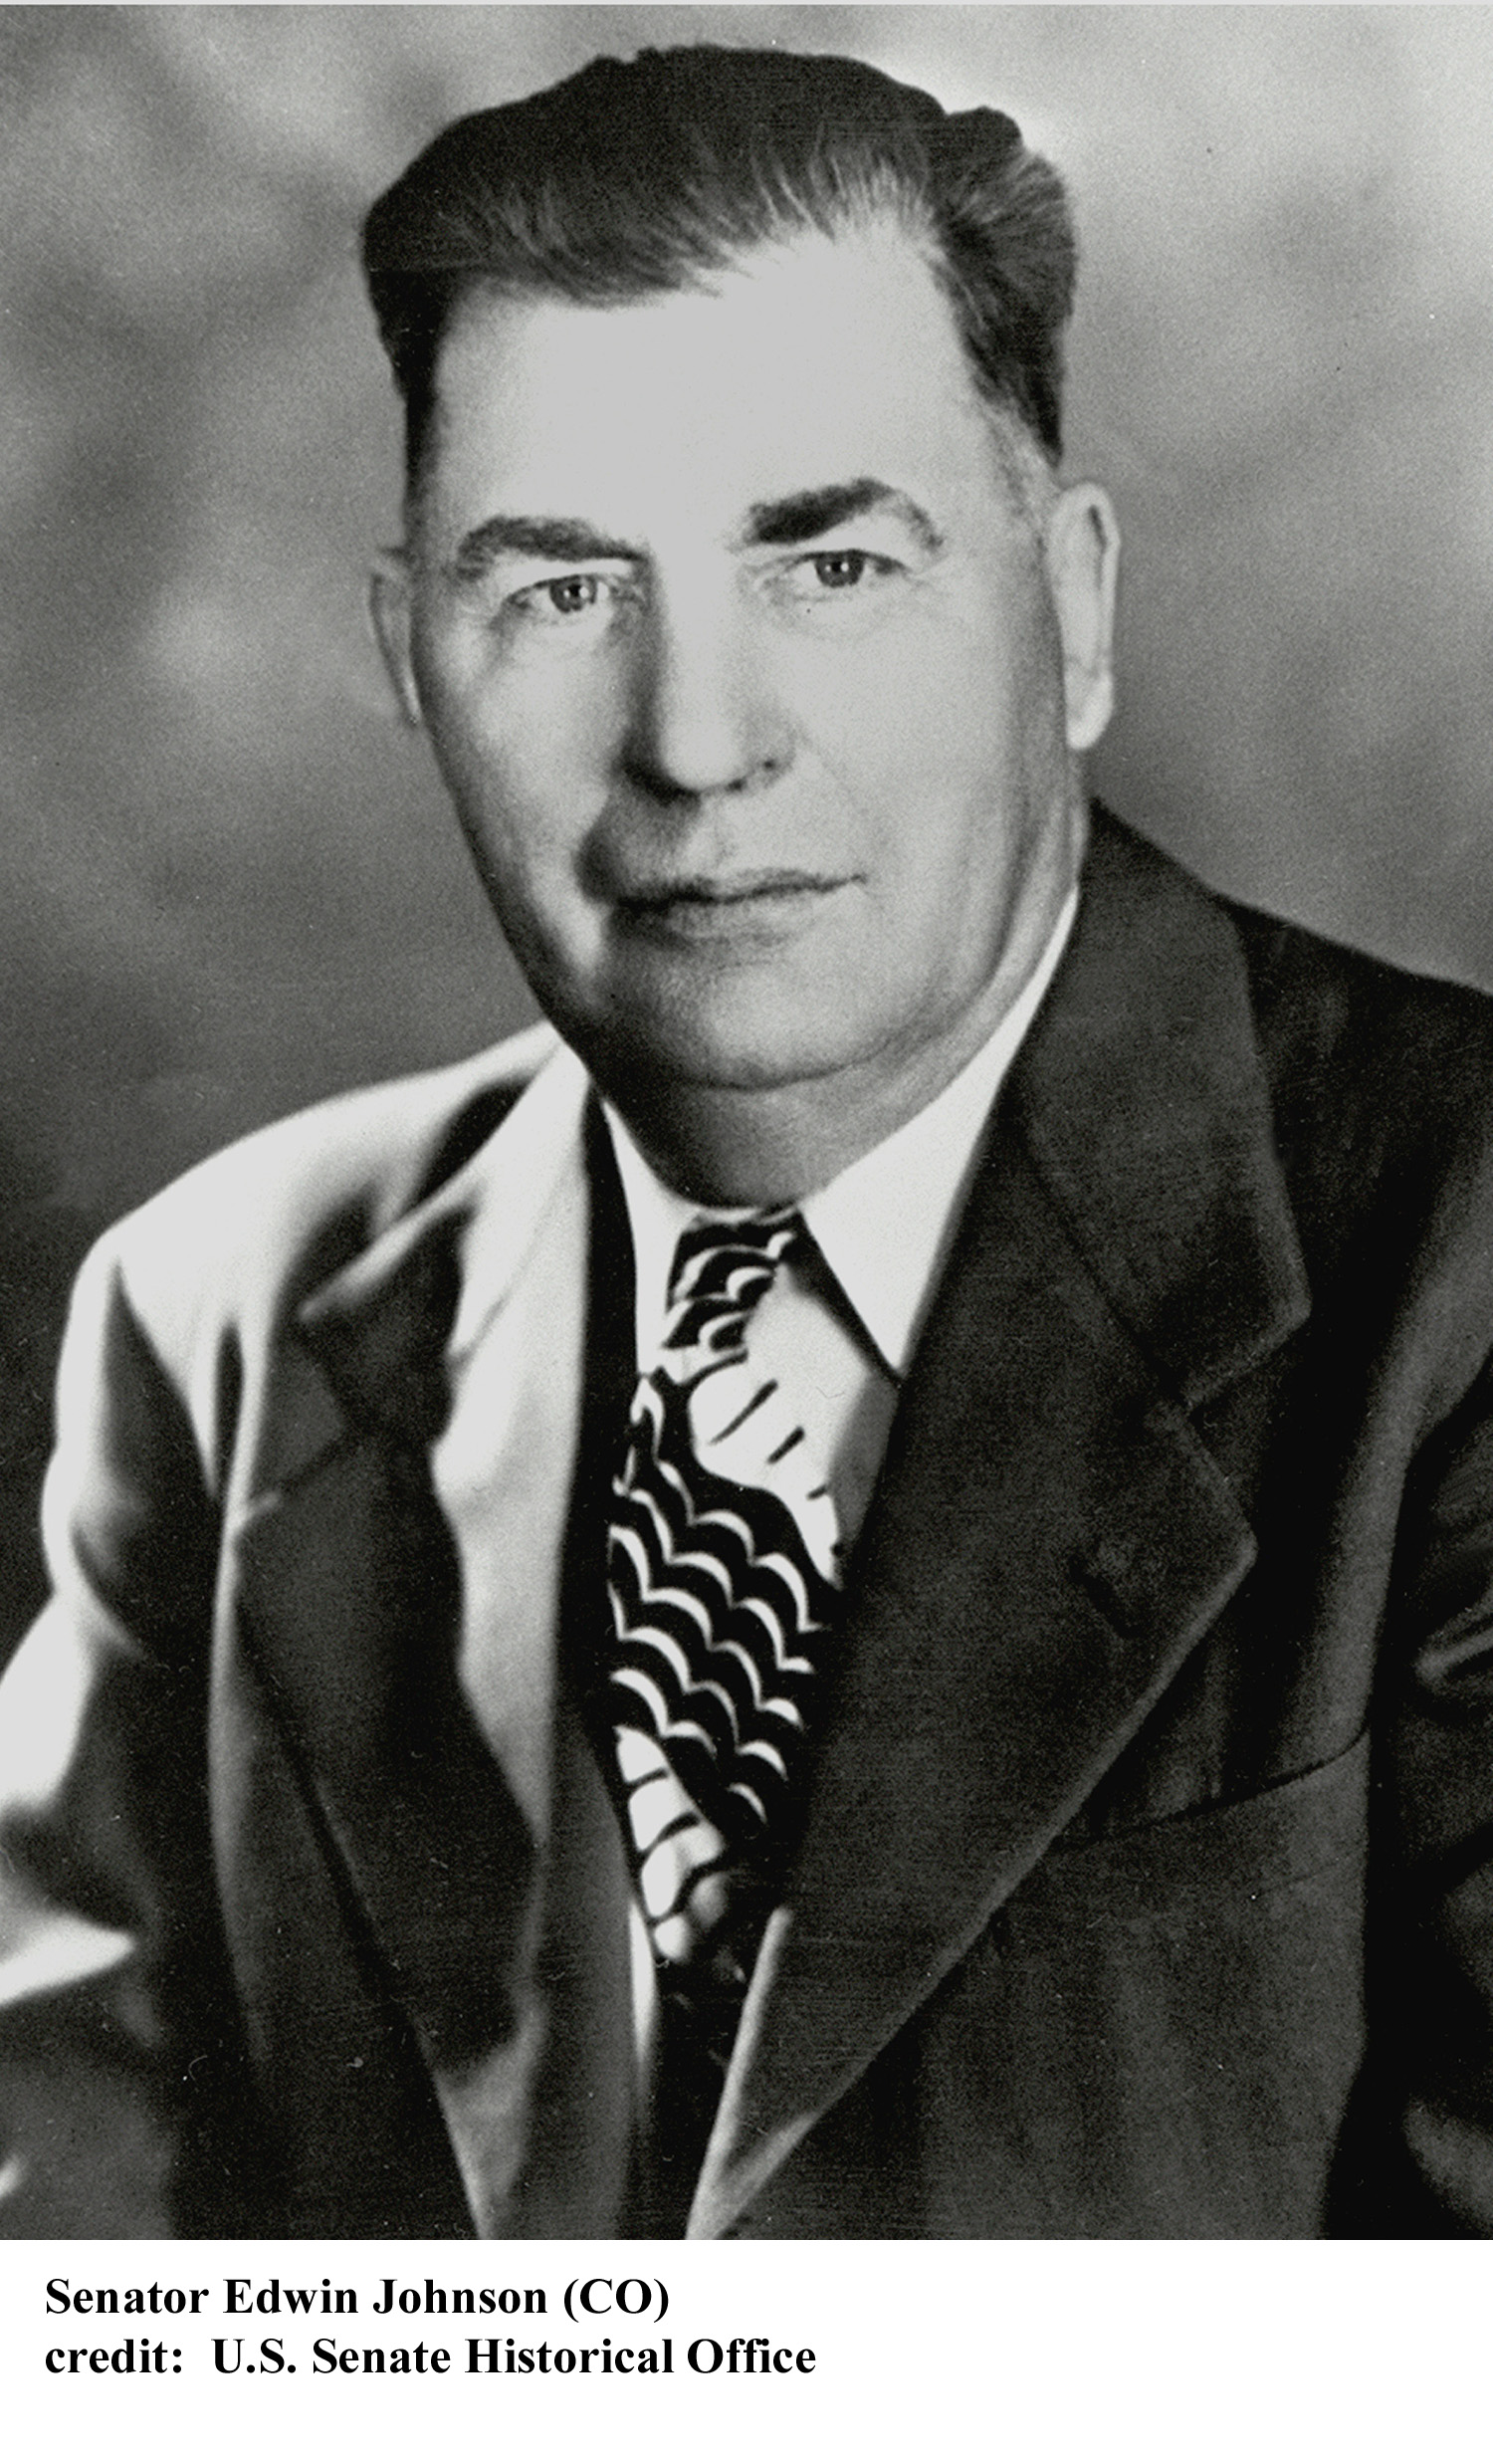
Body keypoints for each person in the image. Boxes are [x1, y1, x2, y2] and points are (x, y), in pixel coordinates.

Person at [3, 44, 1493, 2241]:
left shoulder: (1459, 1251)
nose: (696, 743)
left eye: (834, 565)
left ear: (1075, 611)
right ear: (408, 654)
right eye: (560, 594)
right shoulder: (220, 1317)